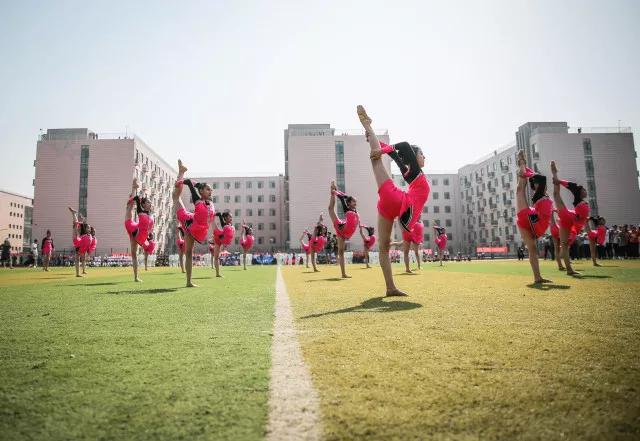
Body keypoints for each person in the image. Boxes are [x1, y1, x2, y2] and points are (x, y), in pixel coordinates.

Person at [357, 105, 430, 296]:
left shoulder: (408, 170)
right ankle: (367, 125)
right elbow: (403, 146)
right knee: (376, 156)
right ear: (414, 156)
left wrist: (376, 143)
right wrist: (380, 148)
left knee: (384, 247)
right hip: (399, 201)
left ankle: (390, 288)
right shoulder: (416, 172)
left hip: (388, 203)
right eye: (421, 154)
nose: (424, 157)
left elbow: (394, 154)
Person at [514, 151, 553, 284]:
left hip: (536, 221)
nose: (536, 184)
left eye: (537, 182)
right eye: (535, 183)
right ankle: (537, 278)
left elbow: (538, 178)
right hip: (529, 218)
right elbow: (526, 180)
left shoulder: (544, 193)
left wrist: (524, 168)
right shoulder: (538, 194)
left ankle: (538, 277)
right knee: (519, 190)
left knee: (533, 248)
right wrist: (522, 164)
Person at [173, 160, 214, 287]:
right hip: (190, 223)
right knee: (175, 197)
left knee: (175, 197)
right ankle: (189, 281)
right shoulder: (198, 201)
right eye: (208, 189)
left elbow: (195, 184)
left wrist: (189, 182)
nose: (210, 191)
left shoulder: (209, 203)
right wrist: (183, 182)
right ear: (201, 191)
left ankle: (181, 172)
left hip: (196, 224)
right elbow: (191, 186)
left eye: (211, 190)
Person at [550, 161, 589, 275]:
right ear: (580, 192)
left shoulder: (581, 201)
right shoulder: (579, 198)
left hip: (568, 218)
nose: (585, 191)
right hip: (569, 217)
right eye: (584, 190)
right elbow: (572, 186)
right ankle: (569, 269)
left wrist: (558, 180)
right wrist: (558, 180)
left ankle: (569, 270)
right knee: (564, 245)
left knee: (564, 245)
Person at [124, 178, 155, 282]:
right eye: (148, 202)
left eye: (150, 202)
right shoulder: (141, 211)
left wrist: (150, 236)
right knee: (129, 208)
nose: (150, 204)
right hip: (133, 228)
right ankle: (133, 188)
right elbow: (136, 203)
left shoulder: (151, 215)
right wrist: (135, 196)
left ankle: (136, 276)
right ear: (143, 204)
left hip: (139, 233)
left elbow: (150, 229)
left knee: (135, 254)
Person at [328, 181, 359, 278]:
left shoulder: (353, 210)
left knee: (341, 252)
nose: (355, 203)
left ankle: (343, 274)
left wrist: (336, 190)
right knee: (330, 209)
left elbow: (343, 196)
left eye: (355, 202)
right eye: (354, 201)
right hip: (341, 228)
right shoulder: (348, 209)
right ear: (349, 203)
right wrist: (334, 192)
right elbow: (342, 198)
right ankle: (343, 274)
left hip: (344, 231)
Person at [68, 207, 92, 277]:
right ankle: (78, 273)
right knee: (78, 258)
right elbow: (80, 223)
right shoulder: (82, 226)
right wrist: (78, 221)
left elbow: (83, 222)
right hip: (79, 242)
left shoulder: (85, 228)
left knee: (81, 258)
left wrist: (88, 252)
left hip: (80, 243)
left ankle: (82, 271)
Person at [212, 211, 235, 277]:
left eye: (231, 217)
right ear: (225, 218)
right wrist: (216, 216)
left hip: (221, 238)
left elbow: (229, 235)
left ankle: (217, 273)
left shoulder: (230, 226)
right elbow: (220, 225)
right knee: (216, 257)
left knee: (217, 257)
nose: (231, 218)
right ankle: (217, 273)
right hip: (218, 239)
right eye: (230, 217)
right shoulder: (224, 225)